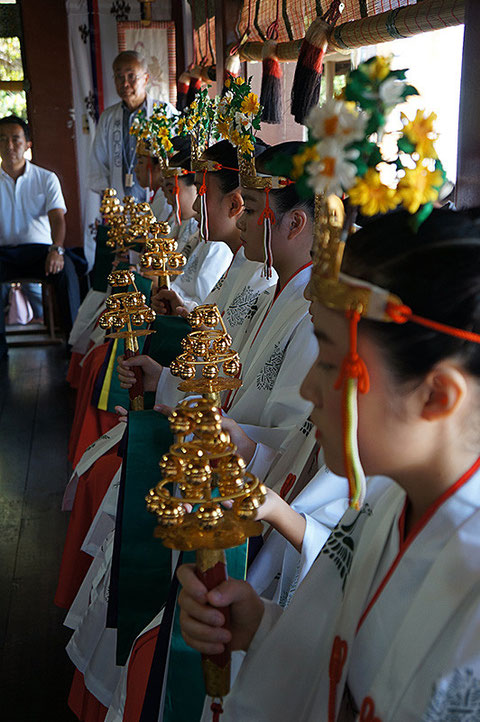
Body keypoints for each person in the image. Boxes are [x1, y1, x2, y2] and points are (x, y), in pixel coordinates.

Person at [178, 207, 480, 721]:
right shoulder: (388, 505)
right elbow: (342, 664)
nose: (307, 388)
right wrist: (260, 628)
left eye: (331, 362)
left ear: (436, 396)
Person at [0, 114, 80, 360]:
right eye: (3, 140)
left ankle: (73, 344)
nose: (10, 145)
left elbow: (57, 218)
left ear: (28, 144)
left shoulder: (46, 178)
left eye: (16, 139)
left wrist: (57, 249)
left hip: (40, 252)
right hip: (3, 254)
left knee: (67, 272)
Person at [88, 51, 176, 204]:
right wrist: (109, 197)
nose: (125, 83)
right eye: (119, 77)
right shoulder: (108, 117)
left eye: (131, 76)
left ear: (146, 78)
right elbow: (98, 160)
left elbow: (176, 158)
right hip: (121, 203)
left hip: (160, 201)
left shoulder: (165, 112)